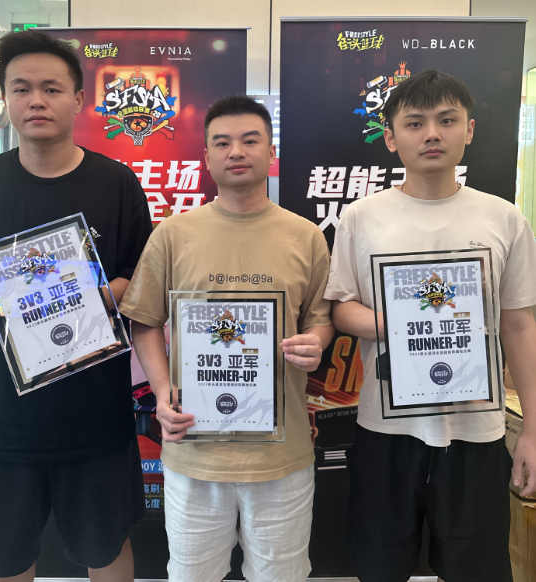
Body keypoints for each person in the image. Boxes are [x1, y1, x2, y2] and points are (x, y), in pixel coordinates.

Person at [0, 30, 151, 581]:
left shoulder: (116, 182)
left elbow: (139, 277)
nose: (36, 100)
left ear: (78, 99)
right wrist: (26, 327)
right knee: (3, 558)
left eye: (51, 88)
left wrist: (79, 309)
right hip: (2, 416)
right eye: (21, 89)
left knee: (105, 548)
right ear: (5, 100)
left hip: (95, 412)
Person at [325, 69, 536, 582]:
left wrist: (532, 428)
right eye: (415, 123)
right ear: (391, 138)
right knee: (380, 565)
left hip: (476, 429)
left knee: (476, 568)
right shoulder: (362, 216)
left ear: (469, 130)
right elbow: (342, 310)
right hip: (386, 427)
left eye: (447, 120)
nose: (432, 134)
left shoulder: (503, 218)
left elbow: (519, 324)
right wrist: (403, 323)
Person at [120, 95, 334, 582]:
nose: (236, 151)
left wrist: (315, 342)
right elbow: (145, 321)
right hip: (194, 452)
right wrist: (162, 392)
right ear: (206, 157)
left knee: (281, 576)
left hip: (281, 456)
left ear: (271, 153)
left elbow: (321, 319)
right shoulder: (173, 234)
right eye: (222, 142)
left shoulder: (305, 236)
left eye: (250, 140)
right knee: (192, 574)